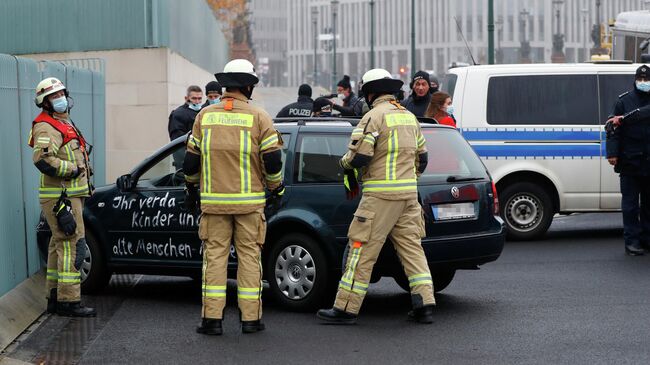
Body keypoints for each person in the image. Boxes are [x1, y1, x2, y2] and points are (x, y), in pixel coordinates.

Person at [317, 68, 435, 325]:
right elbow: (423, 159)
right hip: (407, 197)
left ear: (370, 93)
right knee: (413, 250)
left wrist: (344, 165)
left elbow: (360, 156)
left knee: (361, 249)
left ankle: (346, 308)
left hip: (380, 197)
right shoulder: (409, 117)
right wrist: (409, 179)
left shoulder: (373, 117)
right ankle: (424, 304)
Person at [184, 59, 285, 335]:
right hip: (250, 205)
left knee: (215, 259)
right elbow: (273, 161)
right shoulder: (259, 117)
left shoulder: (205, 116)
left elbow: (190, 163)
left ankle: (212, 320)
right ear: (249, 86)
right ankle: (251, 320)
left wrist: (191, 189)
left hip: (214, 204)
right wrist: (276, 189)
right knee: (250, 259)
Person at [29, 77, 96, 317]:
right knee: (72, 244)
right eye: (54, 96)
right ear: (44, 103)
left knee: (58, 245)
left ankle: (55, 297)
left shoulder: (63, 123)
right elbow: (42, 159)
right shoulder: (46, 126)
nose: (60, 99)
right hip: (61, 197)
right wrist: (72, 170)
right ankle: (70, 301)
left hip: (69, 194)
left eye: (61, 94)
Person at [606, 64, 650, 256]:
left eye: (646, 80)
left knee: (649, 205)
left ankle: (647, 239)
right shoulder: (623, 101)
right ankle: (632, 242)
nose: (643, 83)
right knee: (631, 206)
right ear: (634, 80)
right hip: (630, 162)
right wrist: (612, 153)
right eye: (640, 79)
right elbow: (612, 130)